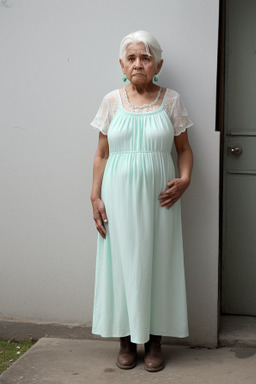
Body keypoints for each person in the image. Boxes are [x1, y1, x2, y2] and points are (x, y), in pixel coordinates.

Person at [90, 31, 193, 372]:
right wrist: (94, 195)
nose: (138, 64)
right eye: (132, 58)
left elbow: (183, 149)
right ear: (122, 64)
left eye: (145, 58)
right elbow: (102, 152)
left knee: (158, 262)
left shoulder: (171, 100)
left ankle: (154, 342)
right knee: (121, 263)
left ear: (157, 65)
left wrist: (185, 179)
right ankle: (125, 340)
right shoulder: (111, 101)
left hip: (159, 200)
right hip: (117, 198)